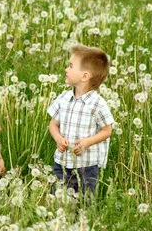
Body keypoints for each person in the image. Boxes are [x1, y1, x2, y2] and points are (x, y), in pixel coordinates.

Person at [47, 44, 114, 197]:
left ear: (84, 76)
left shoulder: (98, 104)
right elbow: (53, 124)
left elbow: (107, 130)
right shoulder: (63, 98)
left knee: (86, 202)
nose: (66, 69)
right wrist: (58, 138)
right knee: (58, 199)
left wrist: (87, 142)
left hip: (87, 166)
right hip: (61, 162)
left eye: (70, 66)